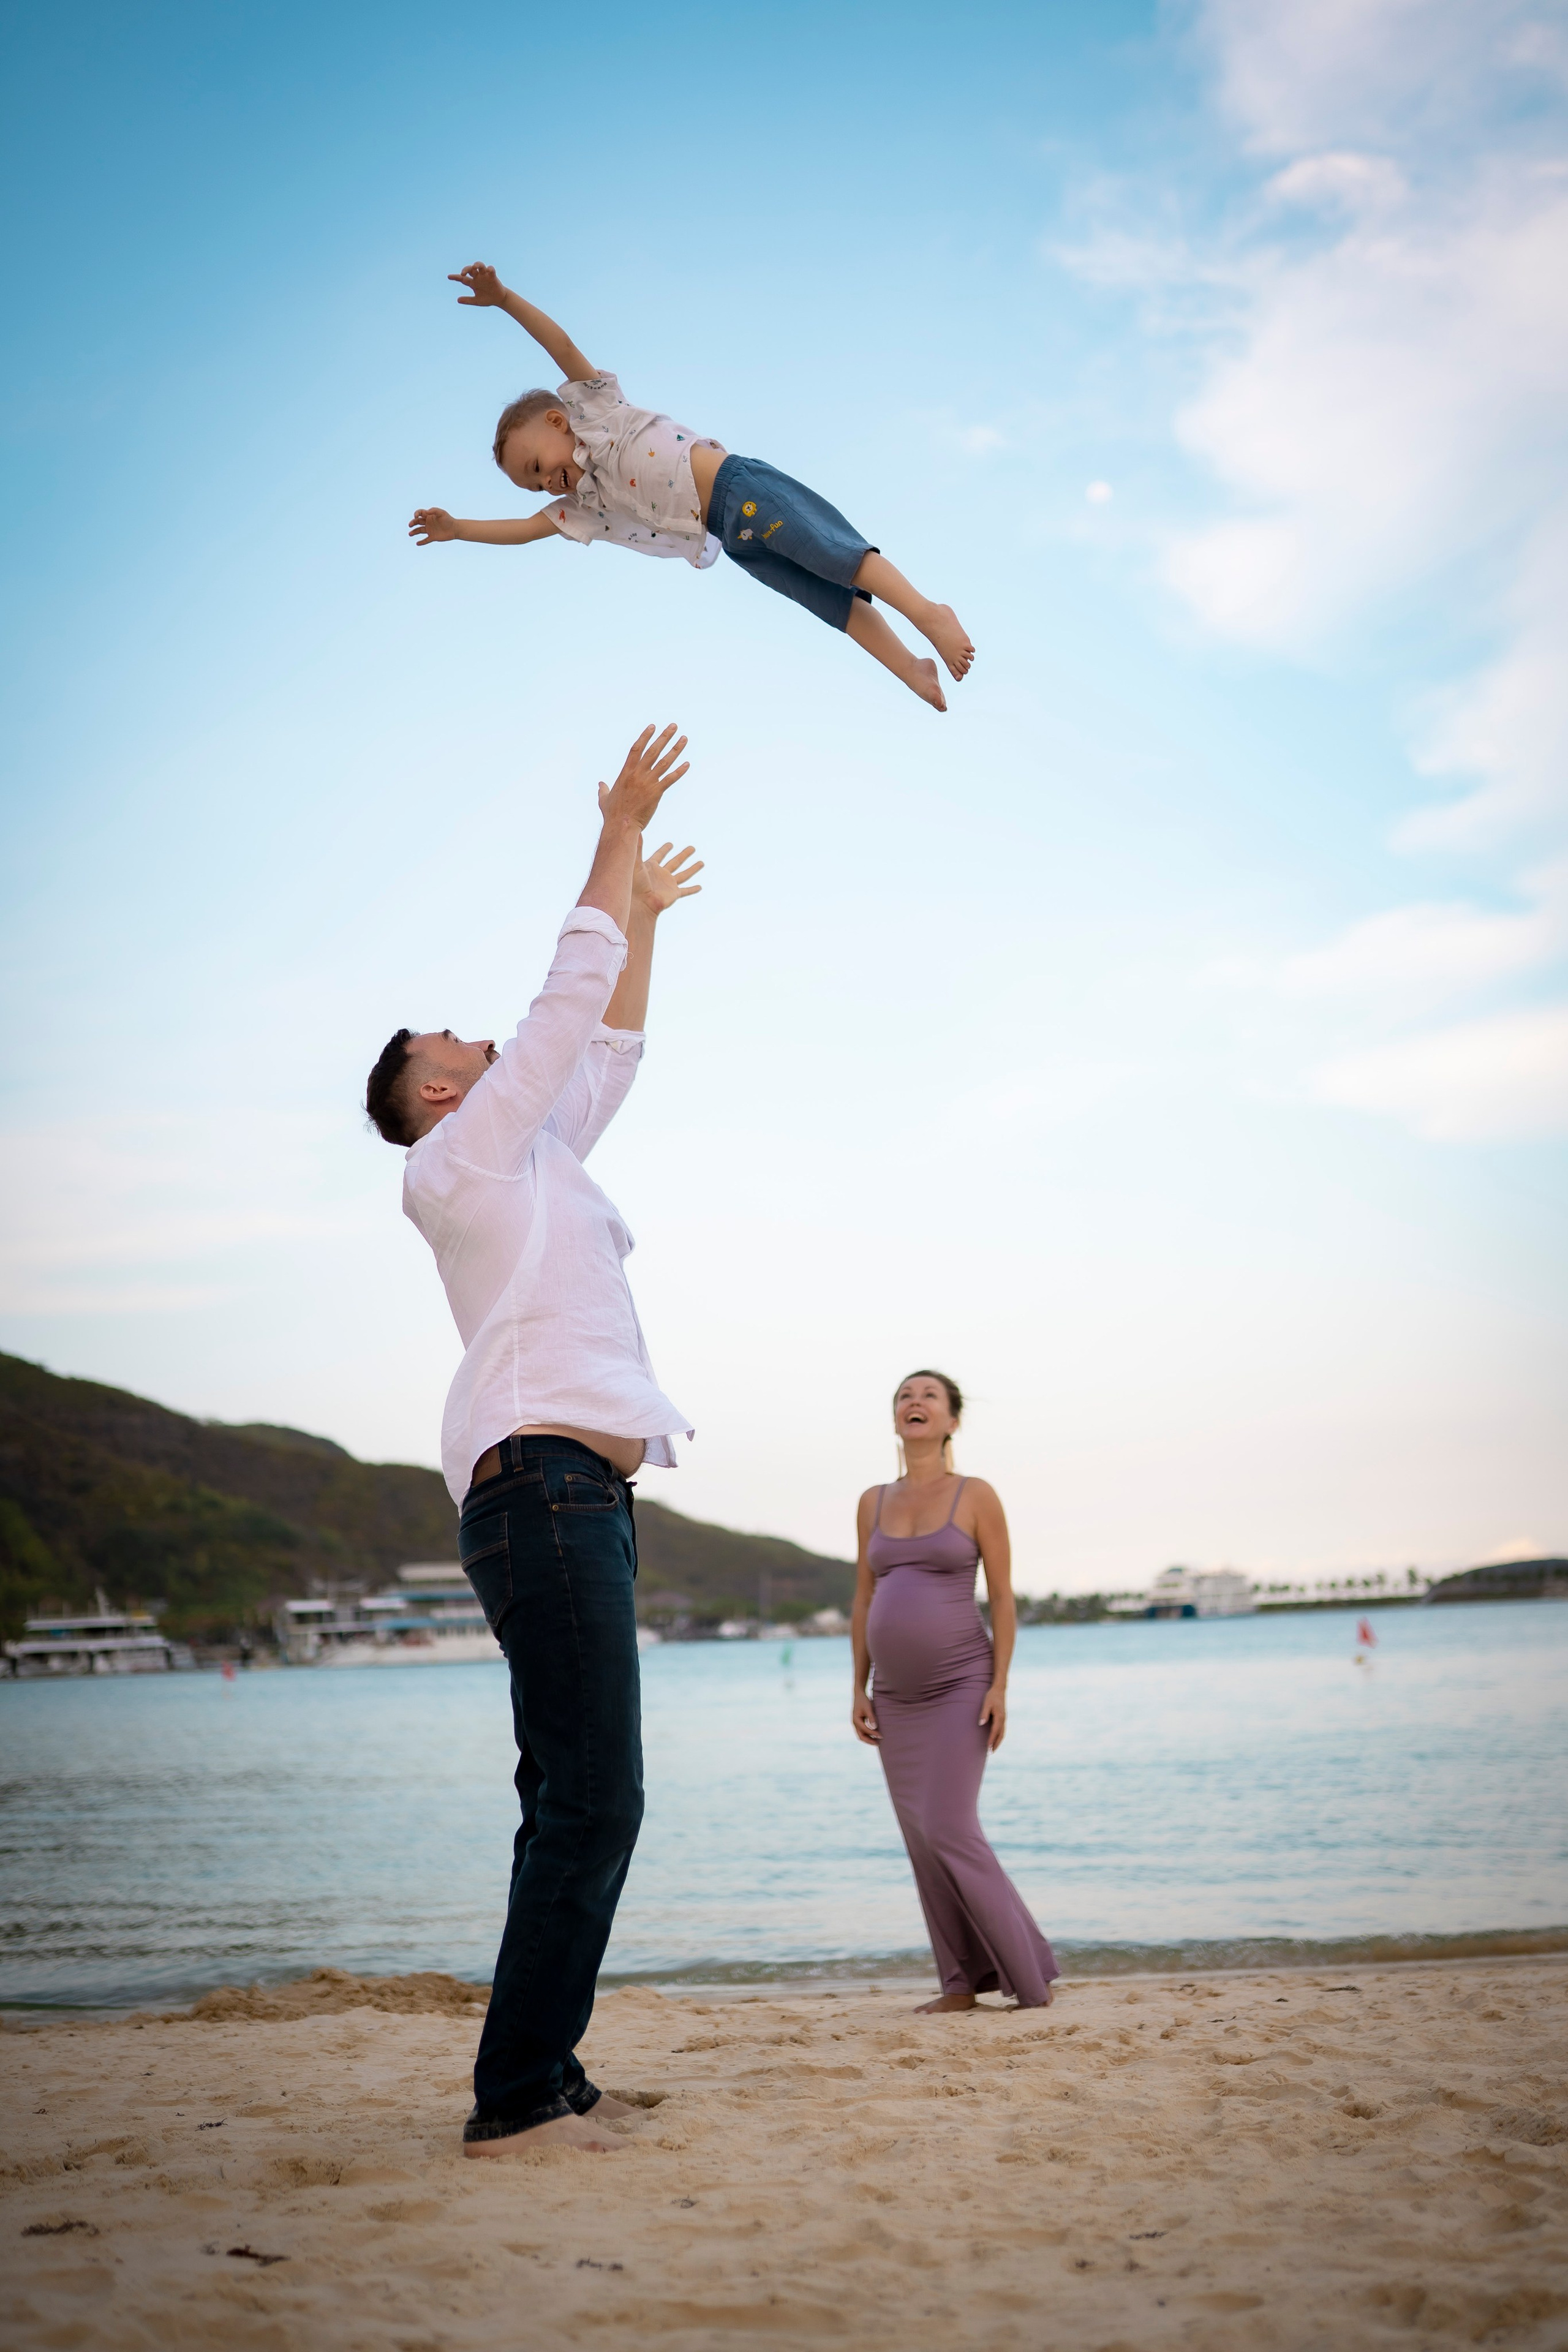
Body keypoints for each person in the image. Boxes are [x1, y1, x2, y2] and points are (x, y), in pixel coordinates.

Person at [362, 722, 701, 2155]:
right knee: (596, 1795)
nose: (469, 1030)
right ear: (435, 1090)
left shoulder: (532, 1151)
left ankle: (538, 2068)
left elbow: (606, 1039)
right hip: (545, 1495)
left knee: (566, 1793)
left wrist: (643, 917)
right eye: (447, 1036)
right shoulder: (460, 1154)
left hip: (574, 1501)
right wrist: (612, 832)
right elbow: (560, 1008)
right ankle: (516, 2087)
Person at [407, 263, 974, 714]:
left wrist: (506, 300)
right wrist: (459, 530)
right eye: (531, 485)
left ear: (558, 423)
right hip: (732, 538)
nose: (541, 484)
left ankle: (928, 613)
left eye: (535, 466)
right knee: (831, 602)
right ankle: (908, 666)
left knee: (837, 556)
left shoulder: (596, 414)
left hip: (738, 489)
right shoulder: (587, 504)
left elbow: (560, 346)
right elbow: (528, 531)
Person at [851, 1370, 1058, 2013]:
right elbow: (864, 1597)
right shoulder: (871, 1501)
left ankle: (1030, 1981)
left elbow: (1001, 1596)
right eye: (904, 1397)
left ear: (951, 1421)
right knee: (920, 1838)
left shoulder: (975, 1495)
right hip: (895, 1696)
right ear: (895, 1421)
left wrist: (1000, 1683)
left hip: (961, 1682)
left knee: (949, 1827)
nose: (914, 1403)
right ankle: (959, 1985)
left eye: (928, 1396)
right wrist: (857, 1686)